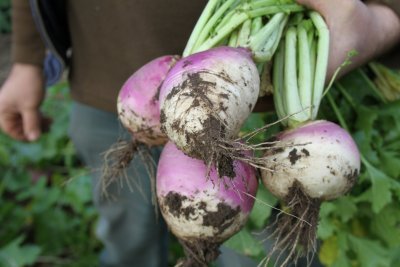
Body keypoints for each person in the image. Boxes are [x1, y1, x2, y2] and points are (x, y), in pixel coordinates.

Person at [0, 1, 399, 267]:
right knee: (126, 226)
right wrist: (27, 58)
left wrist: (387, 19)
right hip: (113, 81)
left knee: (258, 253)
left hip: (260, 117)